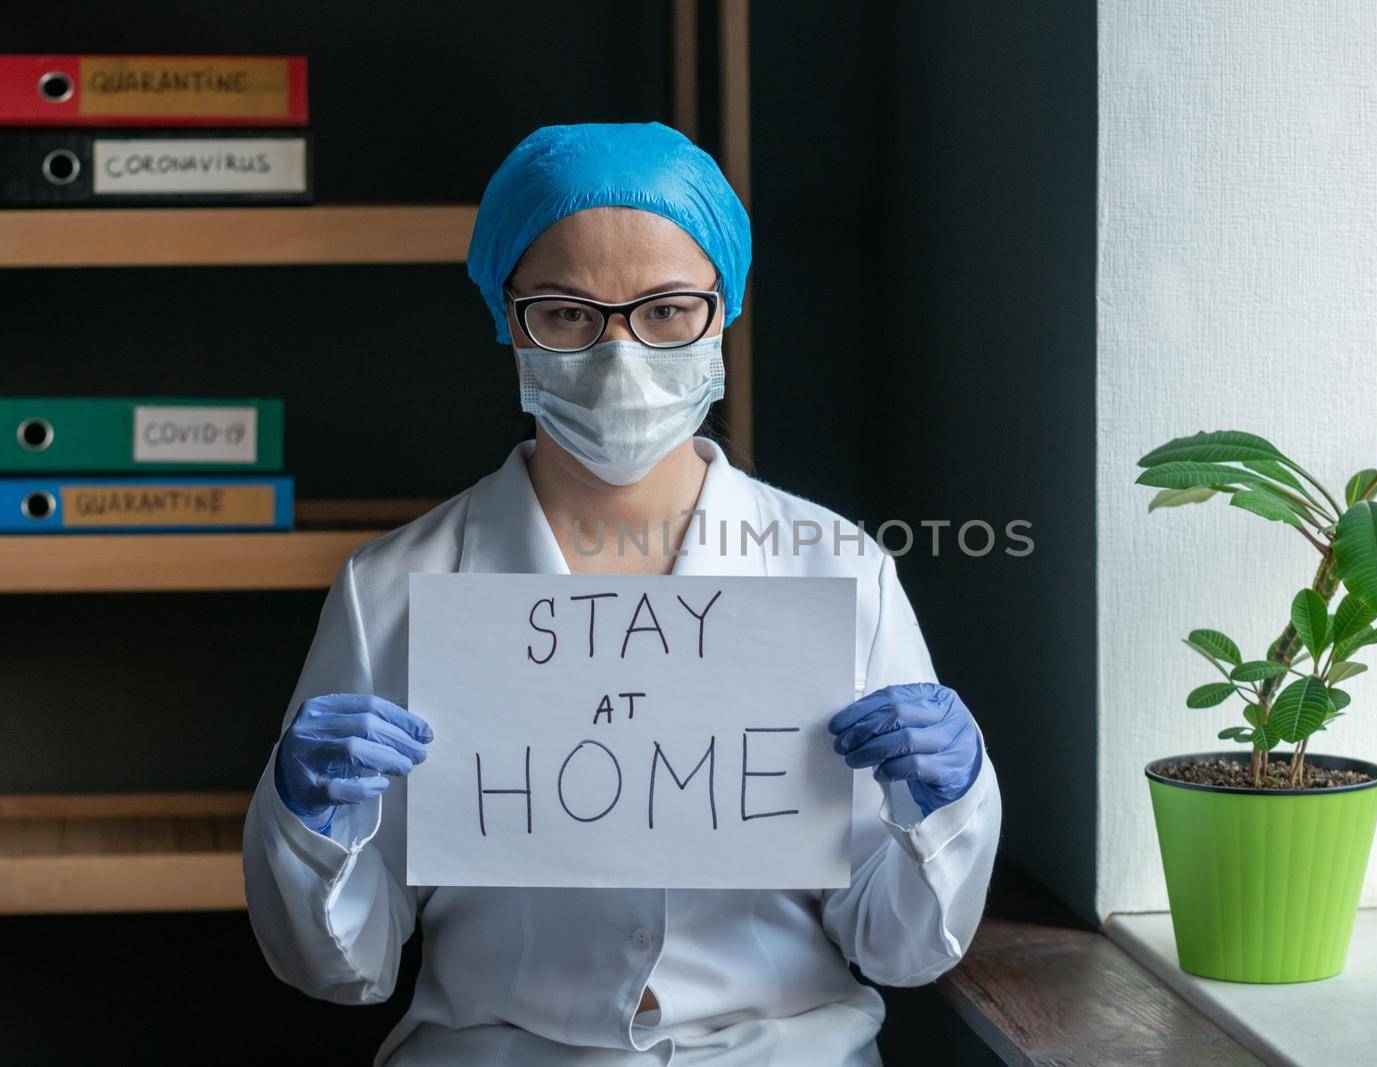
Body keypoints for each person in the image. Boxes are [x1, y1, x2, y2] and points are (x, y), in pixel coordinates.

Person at [243, 121, 1002, 1066]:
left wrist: (950, 804)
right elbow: (341, 965)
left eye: (667, 309)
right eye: (565, 312)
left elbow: (898, 943)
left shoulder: (837, 569)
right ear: (504, 316)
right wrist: (303, 818)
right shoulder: (393, 588)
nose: (620, 355)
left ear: (722, 311)